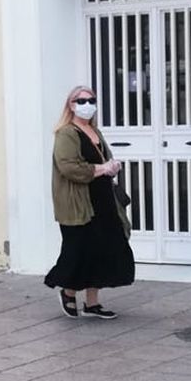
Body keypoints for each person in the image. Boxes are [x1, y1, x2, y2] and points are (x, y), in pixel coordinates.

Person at [44, 85, 134, 319]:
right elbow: (68, 166)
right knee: (78, 250)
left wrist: (111, 166)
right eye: (81, 100)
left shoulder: (94, 131)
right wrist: (100, 168)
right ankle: (68, 291)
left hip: (103, 199)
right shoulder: (66, 133)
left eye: (91, 100)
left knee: (103, 249)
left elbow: (104, 158)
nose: (87, 105)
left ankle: (92, 303)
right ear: (71, 105)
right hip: (79, 203)